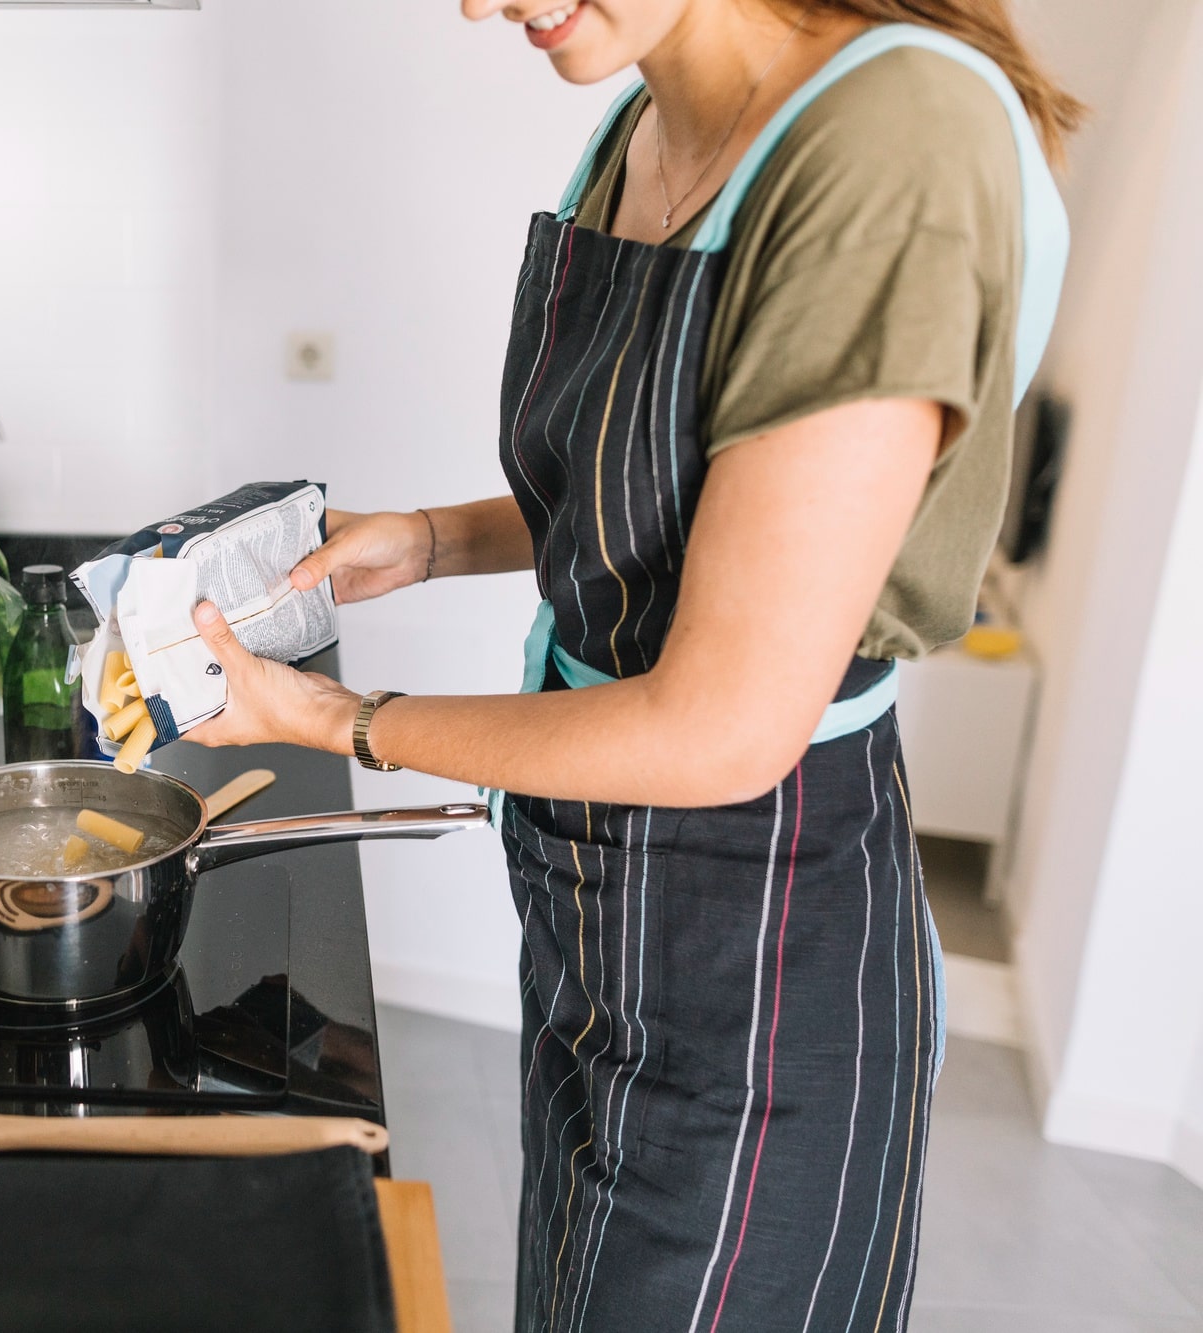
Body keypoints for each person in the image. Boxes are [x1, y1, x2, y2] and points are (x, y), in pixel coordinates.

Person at [184, 2, 1081, 1329]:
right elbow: (672, 497)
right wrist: (427, 541)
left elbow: (726, 725)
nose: (482, 4)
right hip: (595, 897)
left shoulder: (896, 139)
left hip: (760, 937)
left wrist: (338, 719)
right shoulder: (639, 118)